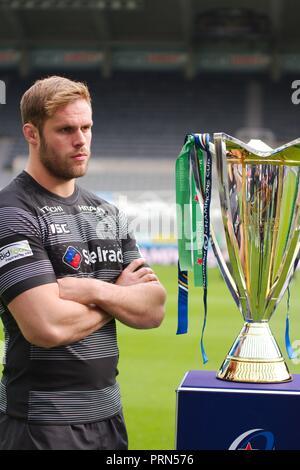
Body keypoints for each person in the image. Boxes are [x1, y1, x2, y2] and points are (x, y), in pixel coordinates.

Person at [0, 76, 166, 450]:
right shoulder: (13, 212)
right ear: (32, 133)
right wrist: (119, 297)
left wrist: (93, 289)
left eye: (87, 127)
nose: (81, 140)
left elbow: (153, 309)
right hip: (40, 425)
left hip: (109, 420)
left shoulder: (107, 212)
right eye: (65, 130)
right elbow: (46, 326)